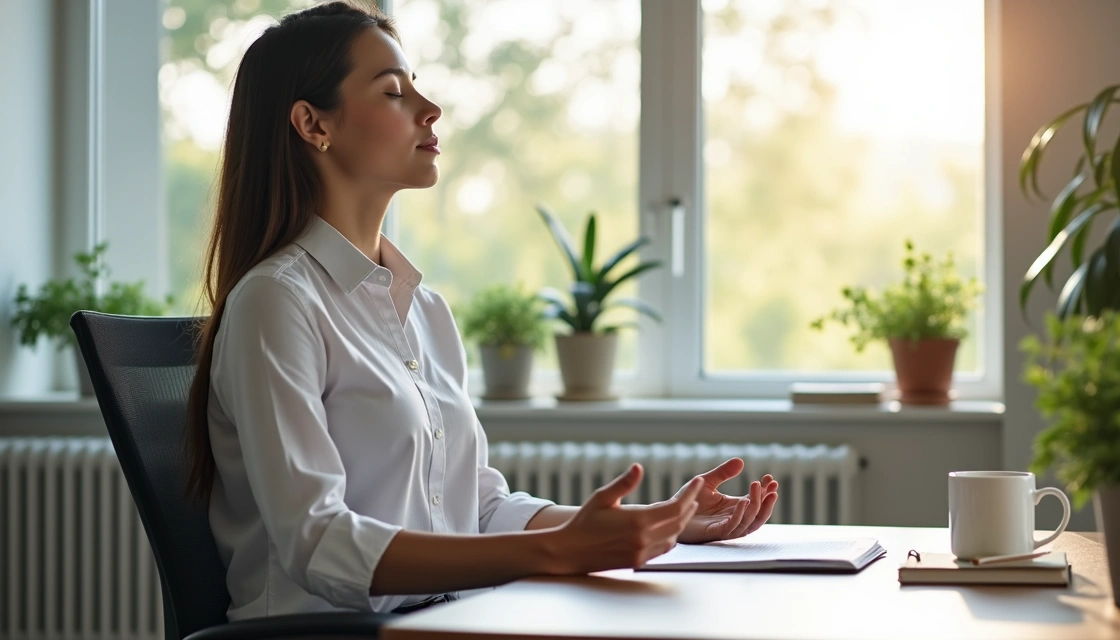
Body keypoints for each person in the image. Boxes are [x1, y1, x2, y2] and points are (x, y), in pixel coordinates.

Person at [183, 0, 779, 621]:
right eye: (393, 92)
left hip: (447, 622)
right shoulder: (276, 303)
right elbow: (320, 544)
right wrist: (552, 552)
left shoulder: (424, 311)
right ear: (313, 124)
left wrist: (648, 527)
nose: (430, 108)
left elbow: (477, 509)